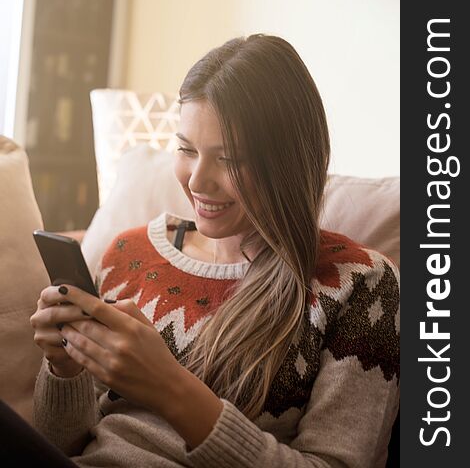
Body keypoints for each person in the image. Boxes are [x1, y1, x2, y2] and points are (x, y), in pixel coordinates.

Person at [24, 34, 398, 467]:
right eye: (186, 149)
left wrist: (169, 387)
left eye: (230, 159)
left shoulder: (360, 285)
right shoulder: (129, 254)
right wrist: (63, 368)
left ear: (290, 161)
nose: (198, 182)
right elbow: (59, 444)